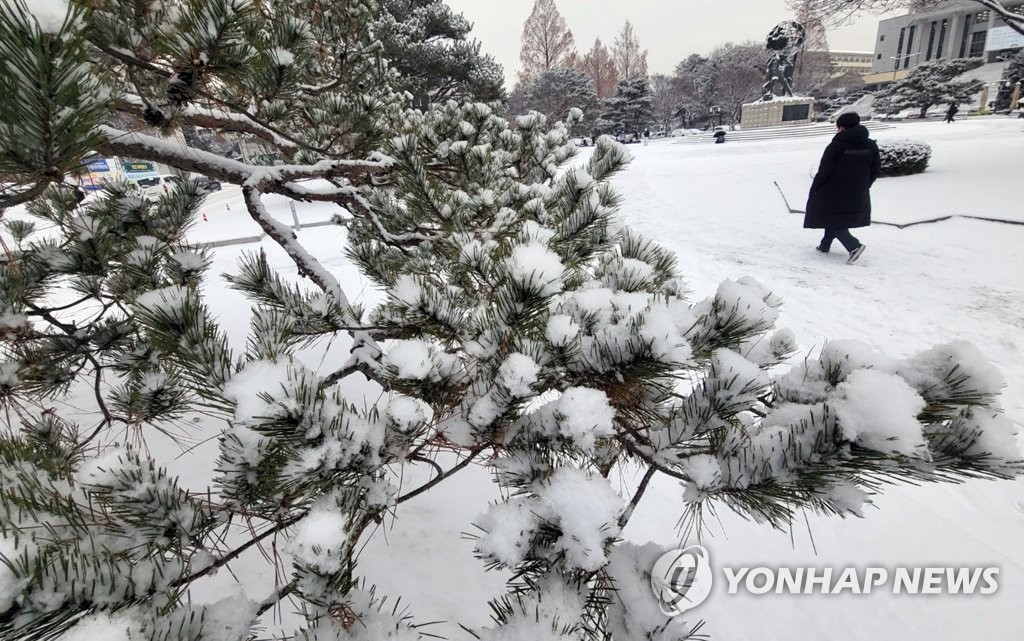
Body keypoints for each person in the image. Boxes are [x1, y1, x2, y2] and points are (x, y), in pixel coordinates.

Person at [804, 112, 880, 264]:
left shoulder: (836, 146)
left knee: (831, 217)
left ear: (841, 128)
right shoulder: (870, 145)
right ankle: (825, 244)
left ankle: (853, 245)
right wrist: (865, 185)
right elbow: (875, 169)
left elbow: (825, 170)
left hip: (833, 191)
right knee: (835, 216)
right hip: (858, 191)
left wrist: (816, 188)